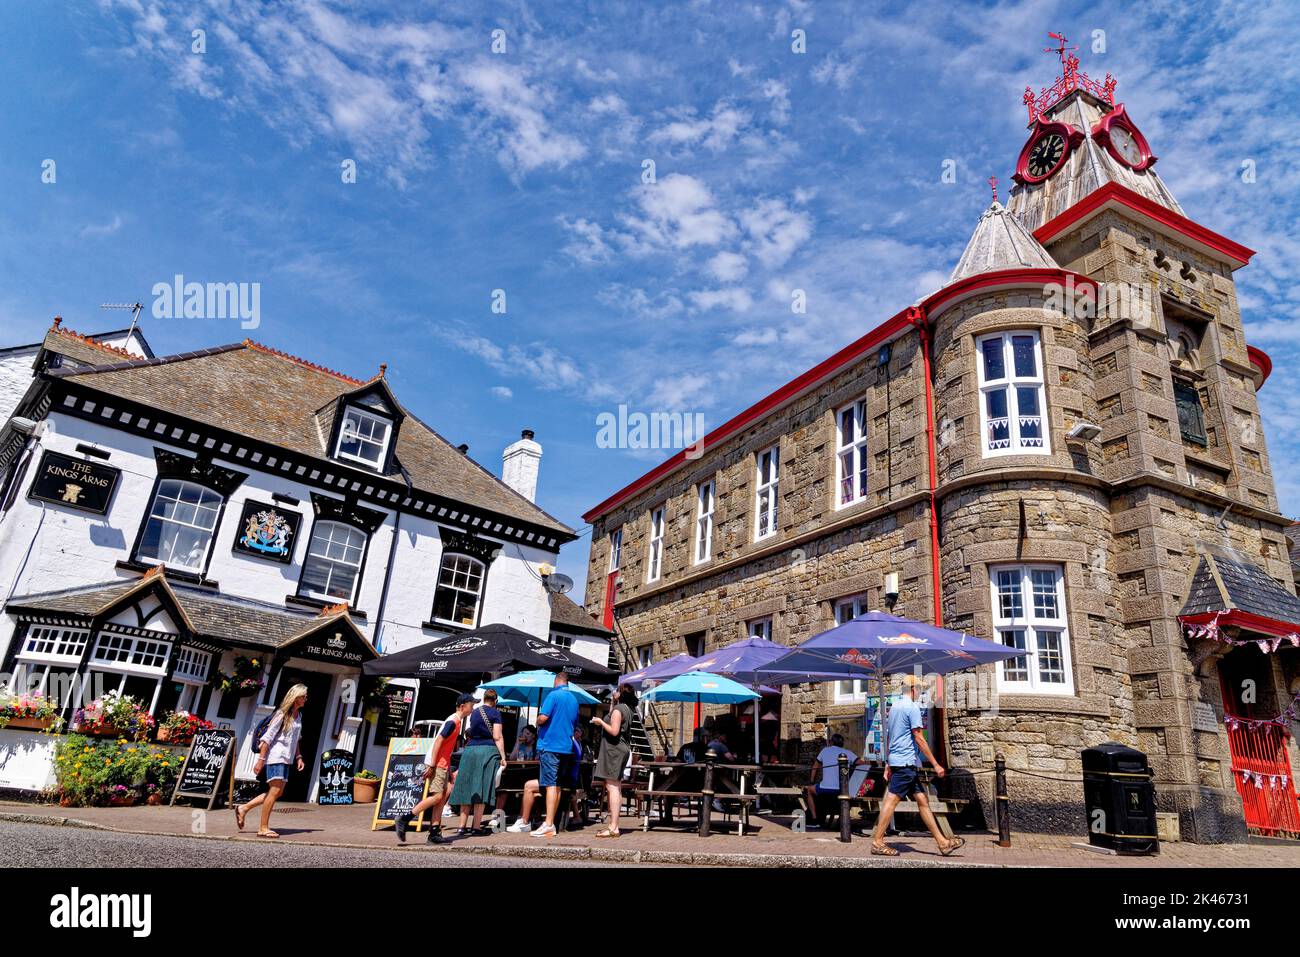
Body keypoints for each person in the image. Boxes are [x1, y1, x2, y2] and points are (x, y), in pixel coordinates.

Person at [870, 674, 964, 857]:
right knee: (891, 801)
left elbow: (891, 737)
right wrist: (936, 764)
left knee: (922, 801)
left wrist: (888, 763)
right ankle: (877, 842)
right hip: (905, 763)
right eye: (919, 689)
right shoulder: (912, 707)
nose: (920, 693)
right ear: (913, 689)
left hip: (902, 762)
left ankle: (943, 842)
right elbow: (920, 738)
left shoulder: (894, 706)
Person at [394, 693, 474, 845]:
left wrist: (449, 771)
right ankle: (404, 819)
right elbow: (437, 742)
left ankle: (434, 833)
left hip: (442, 764)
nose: (472, 708)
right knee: (437, 796)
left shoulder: (457, 721)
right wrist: (431, 765)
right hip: (437, 764)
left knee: (442, 797)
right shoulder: (453, 722)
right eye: (471, 705)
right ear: (463, 706)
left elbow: (446, 748)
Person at [235, 683, 307, 839]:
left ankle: (244, 808)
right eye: (304, 696)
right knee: (274, 792)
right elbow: (267, 738)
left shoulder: (298, 716)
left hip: (287, 758)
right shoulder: (282, 715)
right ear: (296, 697)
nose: (306, 699)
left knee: (278, 792)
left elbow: (296, 740)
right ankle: (263, 828)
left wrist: (299, 757)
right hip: (275, 757)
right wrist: (260, 760)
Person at [505, 711, 587, 833]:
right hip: (569, 780)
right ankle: (534, 819)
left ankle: (525, 821)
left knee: (528, 786)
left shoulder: (565, 744)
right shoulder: (572, 743)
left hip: (565, 782)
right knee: (535, 788)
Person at [526, 672, 579, 837]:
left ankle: (548, 823)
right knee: (557, 785)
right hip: (566, 747)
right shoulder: (574, 700)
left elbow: (543, 717)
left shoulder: (553, 695)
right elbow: (574, 723)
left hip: (550, 745)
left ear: (556, 681)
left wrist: (537, 720)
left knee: (550, 784)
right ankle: (551, 823)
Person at [447, 689, 506, 836]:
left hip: (470, 751)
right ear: (496, 701)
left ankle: (461, 826)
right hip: (487, 751)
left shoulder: (474, 712)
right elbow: (497, 737)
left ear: (484, 698)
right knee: (482, 788)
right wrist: (503, 757)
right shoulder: (495, 713)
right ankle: (476, 826)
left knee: (467, 787)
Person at [590, 683, 637, 838]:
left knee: (612, 787)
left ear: (620, 693)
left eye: (617, 690)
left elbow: (614, 730)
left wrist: (600, 722)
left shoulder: (619, 710)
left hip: (614, 750)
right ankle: (613, 825)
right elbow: (613, 718)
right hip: (620, 749)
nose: (614, 692)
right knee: (615, 786)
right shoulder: (626, 709)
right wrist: (612, 703)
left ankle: (613, 827)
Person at [803, 733, 857, 822]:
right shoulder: (847, 753)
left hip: (825, 789)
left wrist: (812, 781)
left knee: (809, 790)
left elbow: (815, 766)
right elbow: (862, 763)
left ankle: (814, 817)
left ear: (831, 742)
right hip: (841, 790)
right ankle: (841, 819)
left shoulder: (825, 751)